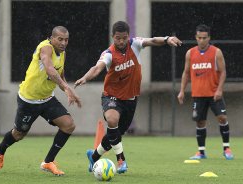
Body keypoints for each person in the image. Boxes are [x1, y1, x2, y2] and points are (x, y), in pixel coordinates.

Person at [74, 21, 182, 173]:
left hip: (130, 99)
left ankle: (94, 156)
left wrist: (166, 39)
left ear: (128, 36)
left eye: (124, 38)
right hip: (111, 96)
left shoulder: (135, 44)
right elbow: (97, 68)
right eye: (118, 38)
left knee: (115, 133)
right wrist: (86, 77)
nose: (121, 41)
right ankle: (121, 160)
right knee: (112, 120)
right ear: (113, 37)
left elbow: (151, 40)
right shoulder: (109, 54)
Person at [0, 26, 82, 176]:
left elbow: (60, 73)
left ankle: (48, 162)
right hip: (29, 100)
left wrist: (69, 91)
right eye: (60, 39)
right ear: (52, 38)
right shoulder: (45, 48)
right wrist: (66, 88)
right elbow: (49, 69)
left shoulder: (63, 53)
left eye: (66, 40)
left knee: (68, 125)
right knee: (19, 134)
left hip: (47, 99)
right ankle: (0, 149)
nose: (63, 43)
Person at [177, 24, 234, 160]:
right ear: (195, 38)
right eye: (199, 37)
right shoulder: (190, 53)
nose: (201, 40)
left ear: (209, 38)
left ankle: (227, 148)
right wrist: (181, 91)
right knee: (200, 122)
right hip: (198, 95)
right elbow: (186, 73)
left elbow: (223, 72)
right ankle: (201, 152)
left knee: (222, 118)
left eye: (204, 38)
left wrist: (219, 89)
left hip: (214, 94)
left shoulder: (216, 52)